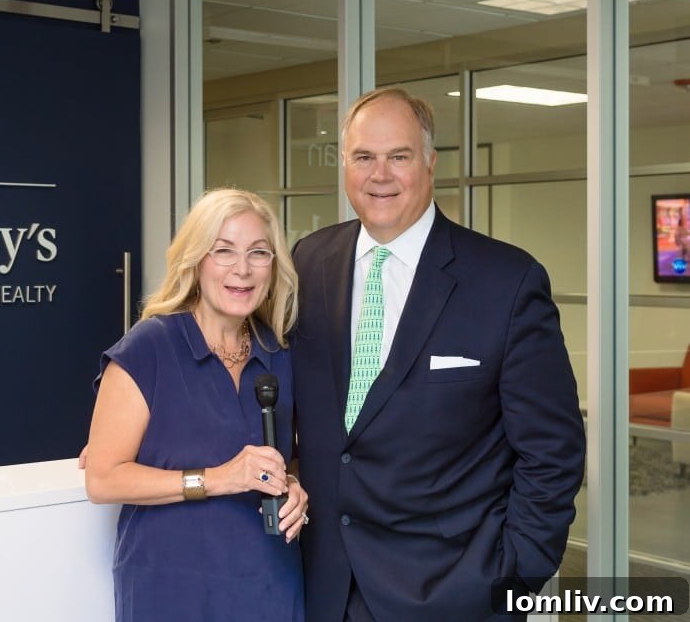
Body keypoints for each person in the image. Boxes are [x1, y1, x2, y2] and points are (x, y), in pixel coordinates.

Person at [290, 87, 586, 621]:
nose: (380, 175)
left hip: (453, 593)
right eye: (363, 157)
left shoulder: (506, 281)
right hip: (322, 587)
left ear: (430, 163)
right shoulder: (307, 263)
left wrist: (510, 579)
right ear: (345, 165)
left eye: (398, 156)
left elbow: (553, 451)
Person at [85, 187, 308, 621]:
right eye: (223, 251)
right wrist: (217, 478)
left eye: (258, 252)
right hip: (173, 588)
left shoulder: (279, 352)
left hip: (271, 583)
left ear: (274, 265)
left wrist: (296, 487)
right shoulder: (149, 347)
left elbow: (293, 456)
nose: (242, 269)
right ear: (196, 260)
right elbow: (103, 479)